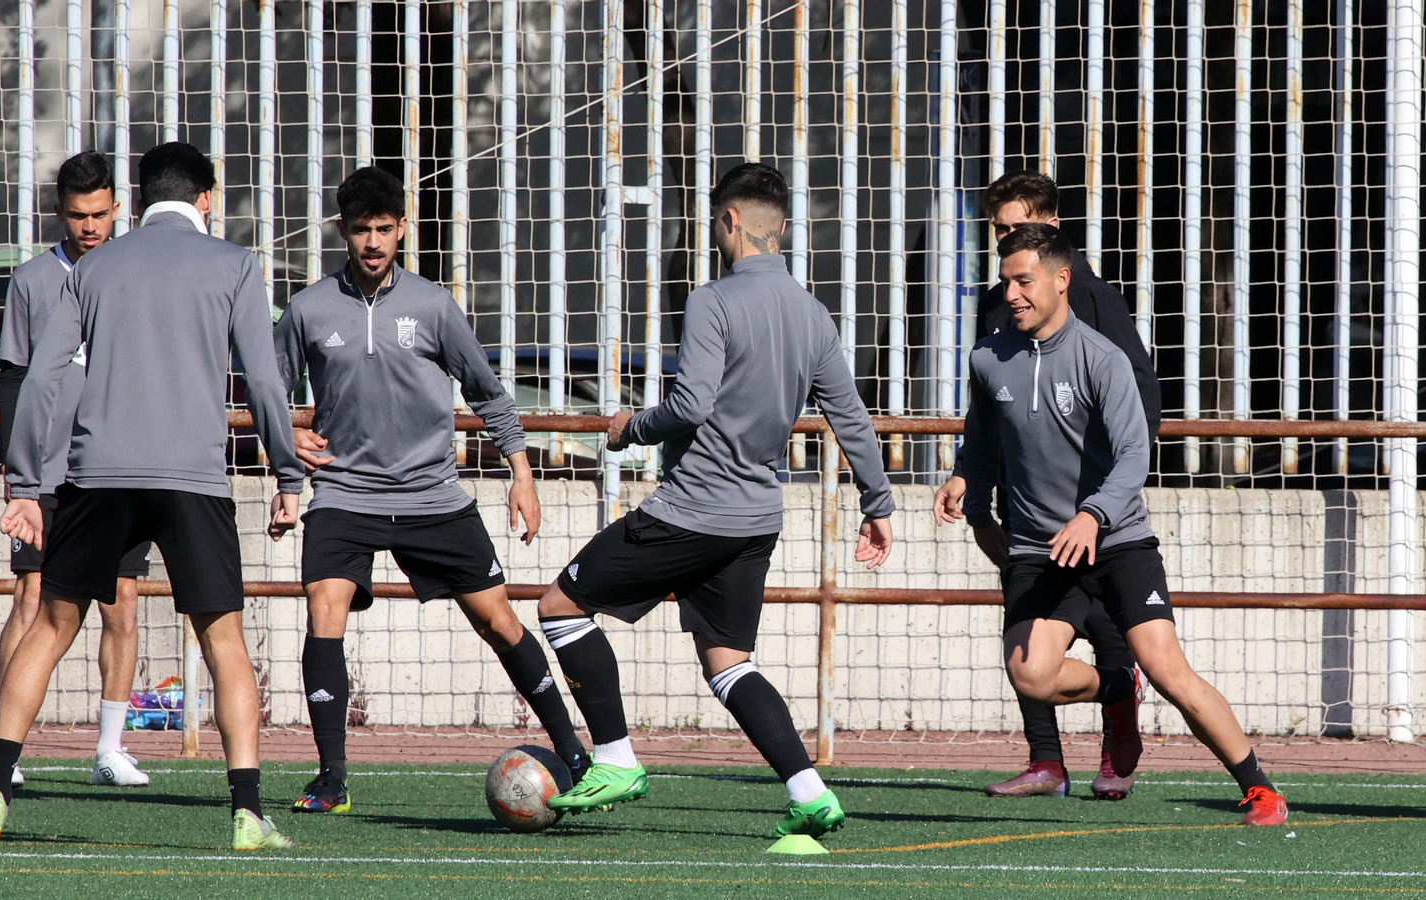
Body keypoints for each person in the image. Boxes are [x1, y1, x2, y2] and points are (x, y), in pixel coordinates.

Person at [0, 142, 306, 851]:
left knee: (51, 626)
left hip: (96, 479)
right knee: (224, 641)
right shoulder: (236, 264)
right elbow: (265, 382)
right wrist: (289, 475)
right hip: (192, 481)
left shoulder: (93, 267)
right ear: (206, 199)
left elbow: (41, 378)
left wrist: (25, 484)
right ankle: (247, 812)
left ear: (138, 202)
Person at [532, 163, 895, 838]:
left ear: (729, 221)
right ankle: (811, 791)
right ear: (779, 227)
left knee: (560, 608)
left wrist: (631, 428)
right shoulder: (813, 314)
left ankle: (615, 759)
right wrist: (878, 504)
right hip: (755, 521)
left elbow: (691, 404)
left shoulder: (712, 301)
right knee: (729, 661)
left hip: (692, 511)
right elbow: (850, 416)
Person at [272, 166, 586, 814]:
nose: (373, 242)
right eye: (362, 230)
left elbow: (488, 393)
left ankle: (575, 757)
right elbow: (271, 396)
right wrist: (288, 472)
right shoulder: (308, 309)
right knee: (324, 610)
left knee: (498, 621)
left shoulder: (434, 305)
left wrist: (522, 474)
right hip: (346, 493)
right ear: (344, 231)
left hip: (432, 495)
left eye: (384, 229)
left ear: (403, 230)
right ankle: (331, 778)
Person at [956, 223, 1287, 827]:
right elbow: (980, 443)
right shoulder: (987, 357)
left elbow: (1136, 454)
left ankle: (1259, 788)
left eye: (1024, 281)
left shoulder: (1102, 359)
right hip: (1039, 549)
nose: (1011, 294)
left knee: (1167, 670)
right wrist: (975, 503)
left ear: (1061, 279)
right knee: (1030, 675)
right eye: (1005, 282)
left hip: (1117, 540)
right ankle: (1115, 687)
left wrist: (1094, 513)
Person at [934, 171, 1160, 800]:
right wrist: (968, 474)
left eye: (1019, 226)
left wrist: (1104, 497)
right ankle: (1046, 761)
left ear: (1052, 228)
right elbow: (989, 412)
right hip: (1026, 510)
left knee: (1112, 630)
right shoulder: (998, 302)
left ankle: (1116, 749)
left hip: (1094, 512)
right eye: (999, 230)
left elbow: (1139, 396)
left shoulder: (1091, 298)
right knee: (1025, 630)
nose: (1007, 239)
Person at [0, 151, 151, 790]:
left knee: (122, 603)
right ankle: (7, 750)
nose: (90, 226)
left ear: (118, 210)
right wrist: (18, 477)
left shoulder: (134, 273)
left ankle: (110, 749)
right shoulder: (33, 281)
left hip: (116, 472)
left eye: (101, 214)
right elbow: (13, 381)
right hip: (47, 477)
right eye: (79, 215)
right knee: (32, 598)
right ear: (60, 211)